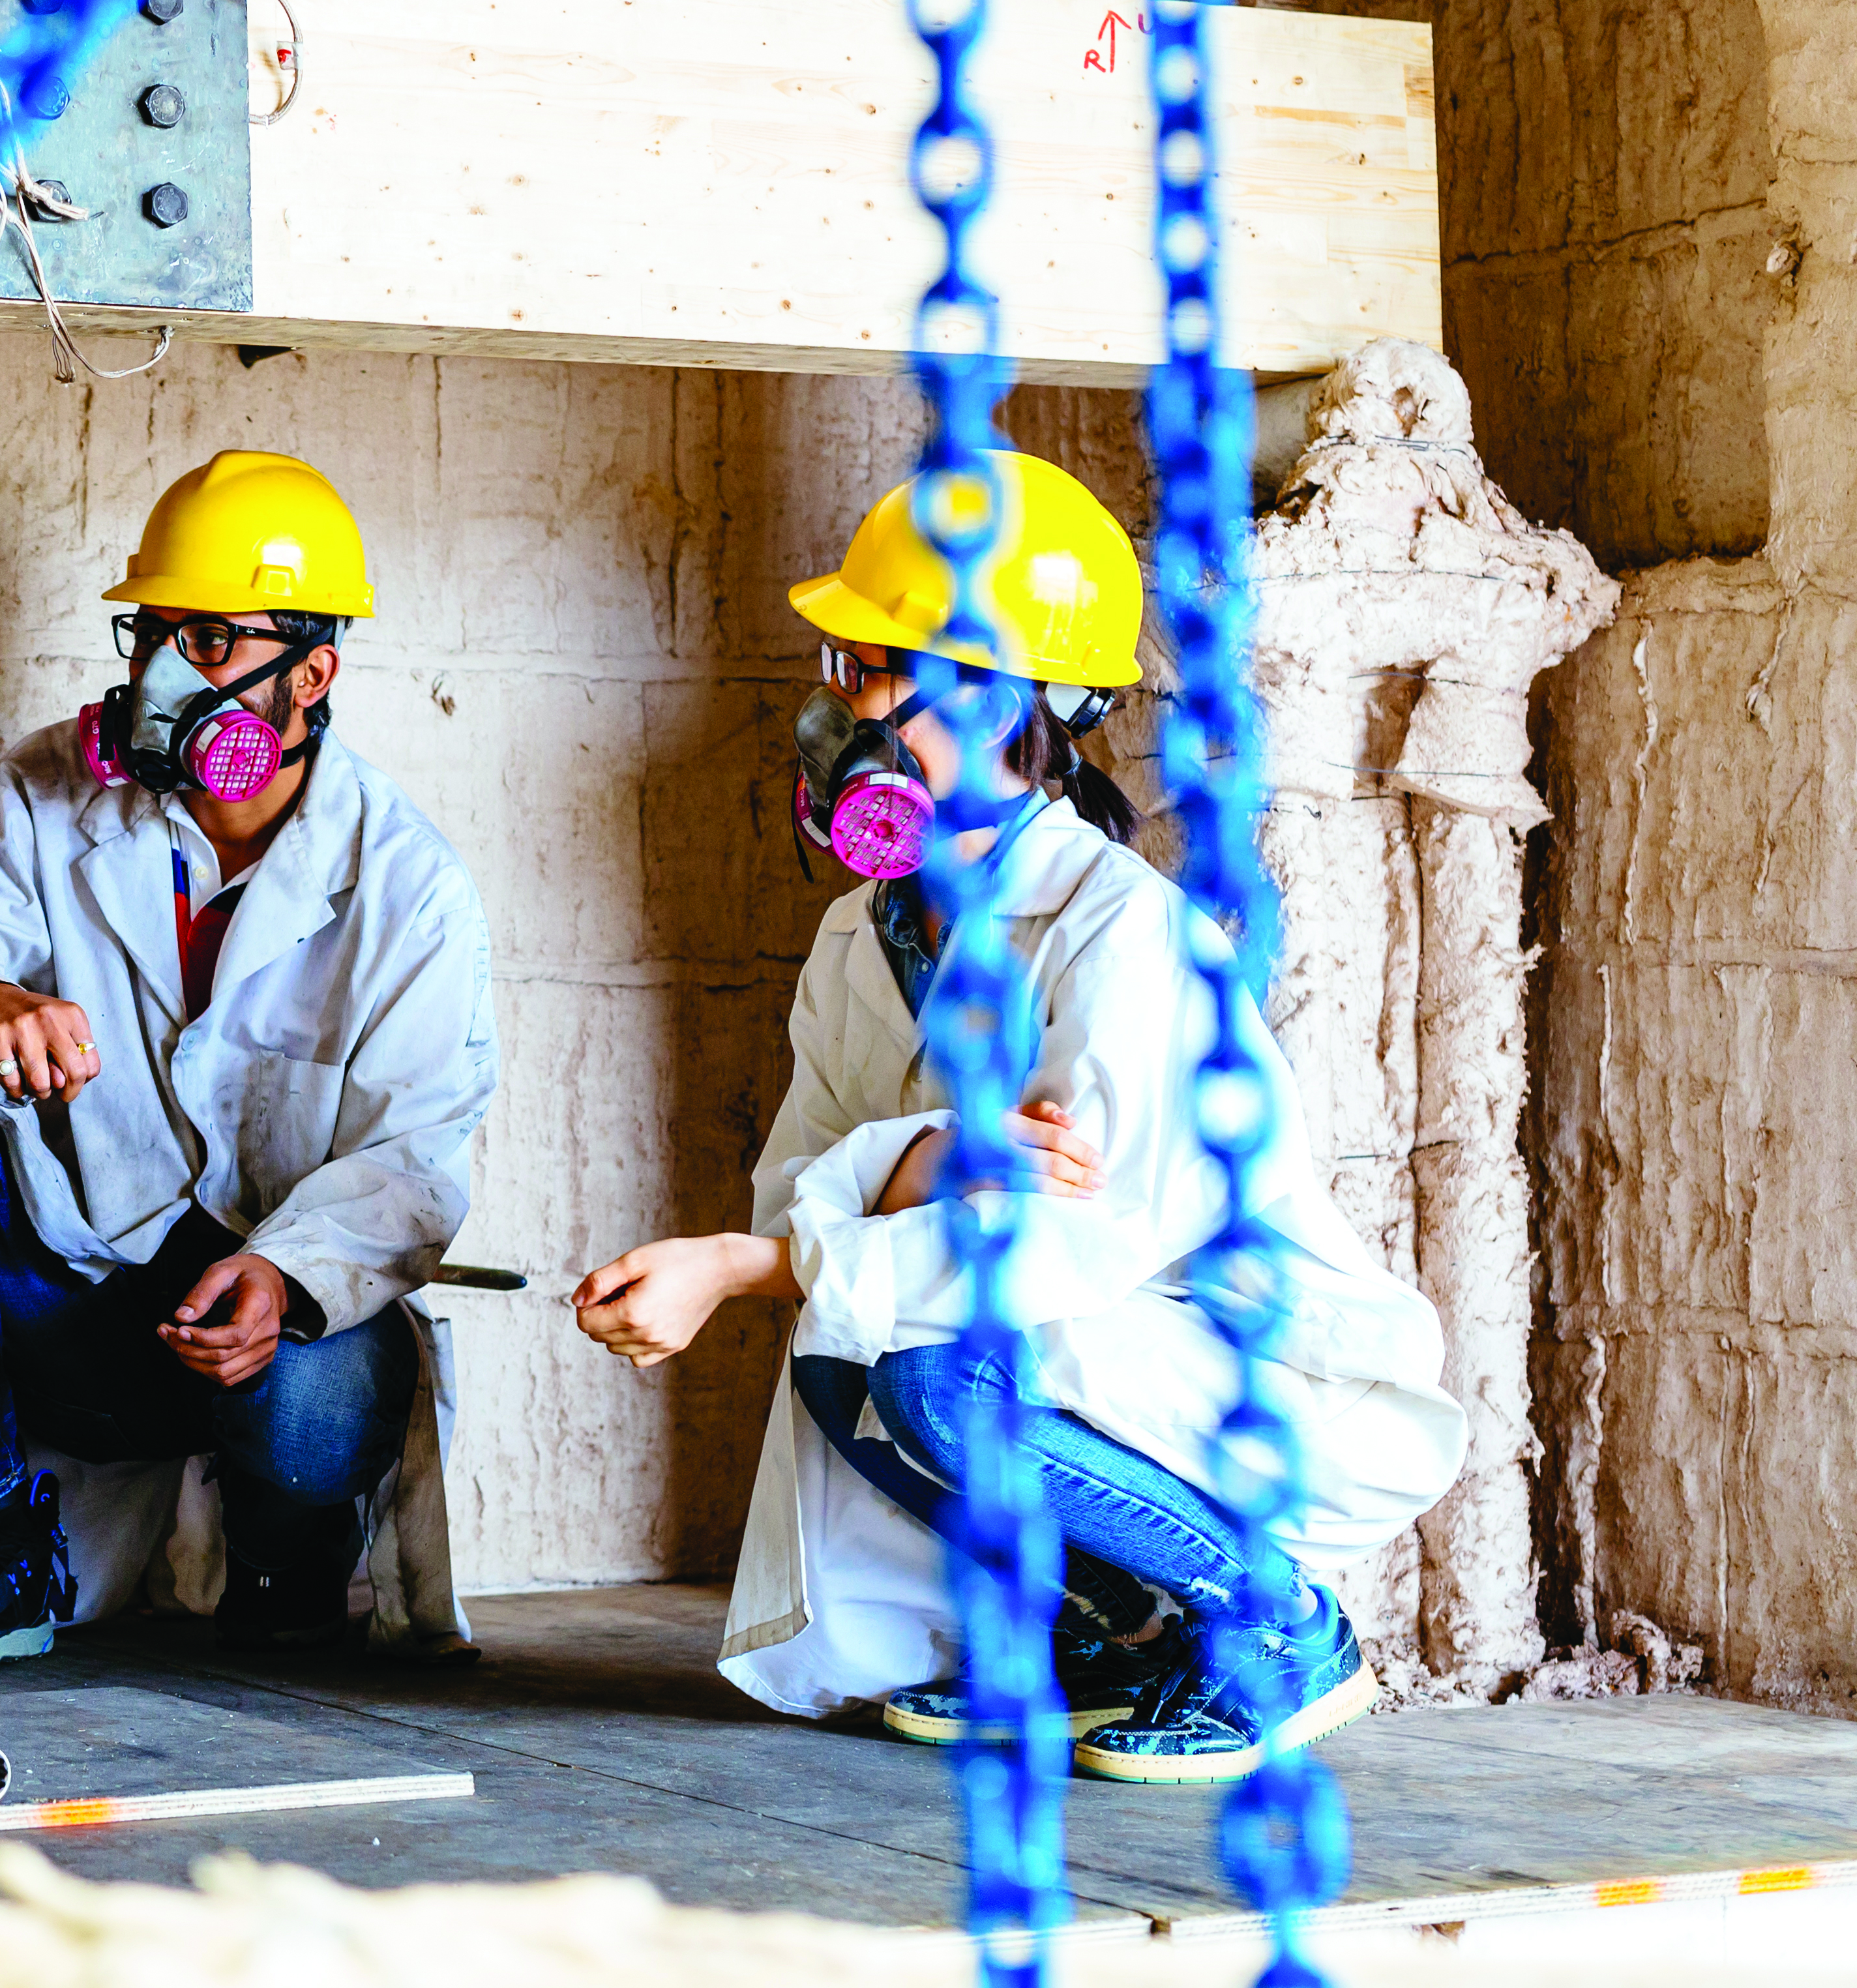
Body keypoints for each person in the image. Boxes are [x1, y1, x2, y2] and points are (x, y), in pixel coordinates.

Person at [569, 451, 1464, 1783]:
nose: (841, 710)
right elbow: (800, 1187)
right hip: (1101, 1364)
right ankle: (1106, 1635)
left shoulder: (1126, 938)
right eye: (844, 669)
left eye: (878, 670)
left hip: (1258, 1383)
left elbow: (1065, 1250)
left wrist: (777, 1253)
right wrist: (923, 1158)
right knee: (844, 1353)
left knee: (935, 1367)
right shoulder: (856, 936)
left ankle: (1278, 1630)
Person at [0, 449, 496, 1682]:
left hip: (268, 1313)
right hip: (71, 1302)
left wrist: (287, 1277)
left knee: (319, 1393)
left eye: (216, 643)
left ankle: (290, 1562)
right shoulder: (40, 789)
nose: (168, 677)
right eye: (155, 635)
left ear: (315, 673)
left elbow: (419, 1151)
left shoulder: (408, 887)